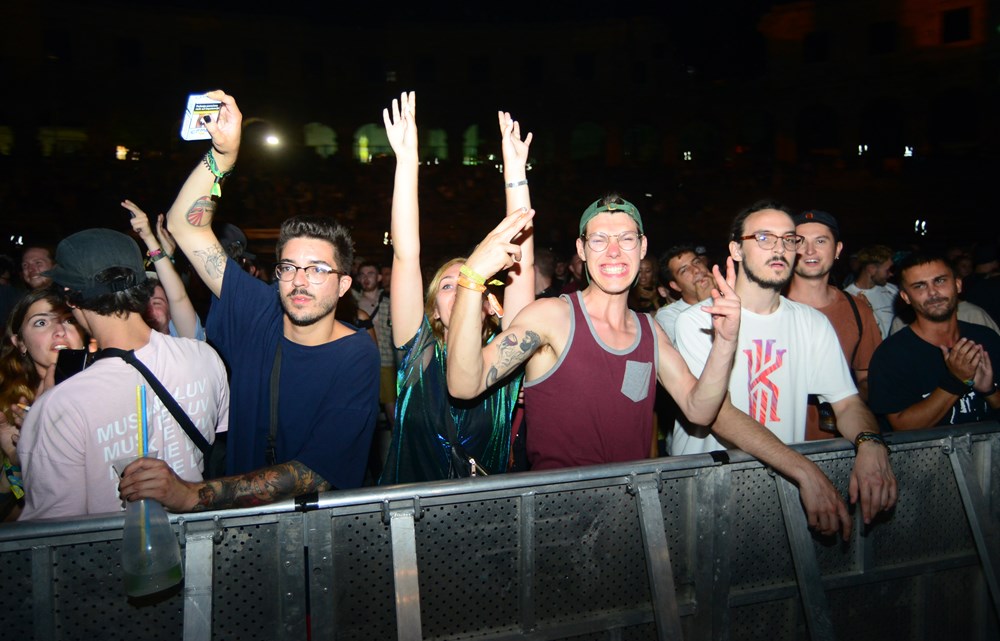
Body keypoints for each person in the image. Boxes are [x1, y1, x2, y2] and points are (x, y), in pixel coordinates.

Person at [119, 90, 379, 512]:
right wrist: (223, 156)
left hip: (317, 528)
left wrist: (193, 494)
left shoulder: (356, 353)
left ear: (344, 284)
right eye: (289, 267)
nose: (299, 281)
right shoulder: (259, 309)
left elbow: (313, 472)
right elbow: (185, 226)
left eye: (317, 269)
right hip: (239, 530)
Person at [446, 191, 742, 471]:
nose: (613, 252)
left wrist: (725, 341)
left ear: (642, 248)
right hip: (562, 504)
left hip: (633, 503)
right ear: (582, 250)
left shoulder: (650, 331)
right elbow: (464, 385)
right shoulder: (551, 316)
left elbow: (699, 410)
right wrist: (472, 278)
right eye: (599, 240)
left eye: (626, 239)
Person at [671, 200, 896, 539]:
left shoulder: (812, 323)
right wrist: (804, 470)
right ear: (736, 249)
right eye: (764, 237)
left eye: (788, 239)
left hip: (781, 492)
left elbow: (847, 402)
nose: (779, 248)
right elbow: (719, 415)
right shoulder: (699, 320)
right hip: (710, 494)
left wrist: (870, 442)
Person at [17, 229, 229, 519]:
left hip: (117, 548)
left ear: (69, 297)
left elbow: (55, 531)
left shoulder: (59, 407)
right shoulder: (204, 357)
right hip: (199, 536)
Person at [378, 92, 534, 483]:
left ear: (489, 303)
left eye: (470, 280)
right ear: (433, 308)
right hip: (409, 510)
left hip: (484, 513)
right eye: (448, 285)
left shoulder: (504, 357)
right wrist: (407, 160)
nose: (463, 286)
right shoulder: (417, 350)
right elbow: (406, 254)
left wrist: (515, 171)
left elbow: (523, 262)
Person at [868, 252, 1000, 430]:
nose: (932, 292)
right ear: (906, 297)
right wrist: (956, 381)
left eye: (940, 281)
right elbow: (902, 426)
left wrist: (990, 391)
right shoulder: (891, 355)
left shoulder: (985, 338)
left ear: (958, 285)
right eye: (919, 286)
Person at [786, 210, 883, 439]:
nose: (810, 250)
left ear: (837, 250)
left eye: (821, 241)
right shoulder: (767, 307)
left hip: (839, 442)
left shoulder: (857, 310)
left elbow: (867, 377)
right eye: (799, 242)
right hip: (778, 441)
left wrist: (846, 401)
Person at [0, 289, 87, 519]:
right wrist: (18, 459)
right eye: (41, 323)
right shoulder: (9, 410)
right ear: (20, 343)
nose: (59, 331)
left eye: (69, 320)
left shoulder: (107, 388)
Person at [124, 199, 206, 340]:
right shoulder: (127, 344)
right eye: (143, 302)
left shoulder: (185, 341)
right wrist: (168, 256)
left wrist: (149, 237)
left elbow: (178, 297)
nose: (149, 309)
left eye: (157, 303)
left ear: (171, 313)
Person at [355, 260, 396, 427]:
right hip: (361, 364)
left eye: (370, 274)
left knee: (392, 410)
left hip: (386, 361)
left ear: (379, 277)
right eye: (362, 274)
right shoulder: (352, 304)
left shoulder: (390, 301)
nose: (366, 278)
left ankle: (397, 442)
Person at [654, 245, 714, 343]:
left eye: (697, 262)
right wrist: (707, 303)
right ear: (675, 286)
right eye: (684, 270)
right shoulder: (670, 316)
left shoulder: (730, 295)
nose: (696, 270)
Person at [845, 244, 897, 339]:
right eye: (888, 270)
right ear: (871, 269)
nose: (891, 274)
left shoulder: (893, 291)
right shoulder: (847, 297)